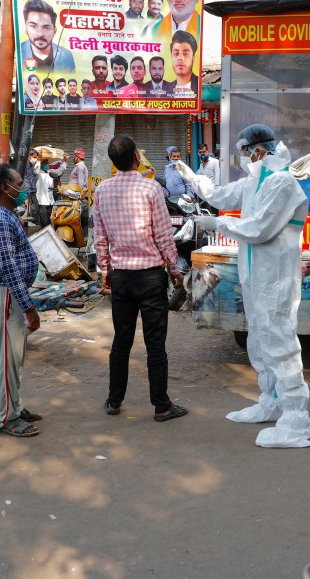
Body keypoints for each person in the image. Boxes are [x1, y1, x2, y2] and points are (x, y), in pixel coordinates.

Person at [174, 124, 310, 448]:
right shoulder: (255, 181)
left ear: (260, 150)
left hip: (275, 277)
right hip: (255, 275)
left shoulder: (282, 182)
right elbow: (222, 195)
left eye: (246, 151)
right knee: (260, 342)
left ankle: (296, 422)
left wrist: (217, 223)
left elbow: (259, 228)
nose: (245, 157)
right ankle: (271, 402)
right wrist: (194, 179)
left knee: (280, 344)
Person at [94, 136, 188, 423]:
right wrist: (175, 271)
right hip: (149, 278)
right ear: (137, 156)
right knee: (155, 344)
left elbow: (100, 239)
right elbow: (163, 235)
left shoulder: (102, 190)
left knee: (121, 342)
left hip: (122, 277)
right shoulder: (150, 188)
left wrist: (105, 273)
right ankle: (161, 406)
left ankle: (113, 400)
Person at [0, 165, 43, 438]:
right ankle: (7, 418)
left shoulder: (5, 214)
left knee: (14, 357)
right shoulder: (0, 220)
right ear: (6, 188)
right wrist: (29, 308)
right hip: (5, 293)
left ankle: (15, 406)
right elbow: (9, 268)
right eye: (19, 182)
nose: (23, 187)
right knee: (6, 359)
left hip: (8, 293)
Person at [20, 0, 76, 73]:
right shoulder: (19, 51)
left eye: (46, 28)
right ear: (26, 28)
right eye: (33, 26)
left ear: (54, 31)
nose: (40, 34)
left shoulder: (66, 56)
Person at [170, 30, 199, 97]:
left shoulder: (200, 85)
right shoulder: (165, 89)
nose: (180, 58)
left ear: (193, 58)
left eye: (185, 54)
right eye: (176, 53)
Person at [32, 154, 54, 228]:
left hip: (50, 203)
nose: (47, 165)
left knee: (51, 223)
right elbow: (36, 169)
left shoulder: (49, 174)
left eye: (47, 163)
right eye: (45, 163)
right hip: (42, 203)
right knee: (44, 225)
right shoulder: (39, 174)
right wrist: (38, 161)